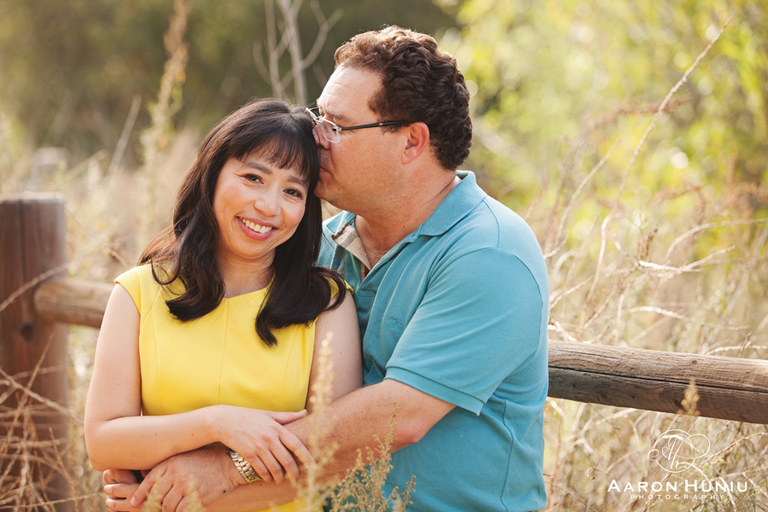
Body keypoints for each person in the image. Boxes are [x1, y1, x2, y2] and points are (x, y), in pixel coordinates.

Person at [105, 26, 549, 512]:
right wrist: (157, 482)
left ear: (411, 142)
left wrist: (219, 471)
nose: (315, 138)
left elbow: (398, 415)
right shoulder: (315, 246)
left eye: (336, 125)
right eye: (319, 116)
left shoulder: (489, 252)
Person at [84, 99, 362, 512]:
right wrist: (218, 422)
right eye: (253, 177)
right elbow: (104, 442)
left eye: (292, 191)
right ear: (211, 176)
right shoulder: (139, 293)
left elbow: (332, 459)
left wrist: (171, 496)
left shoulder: (325, 306)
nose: (269, 206)